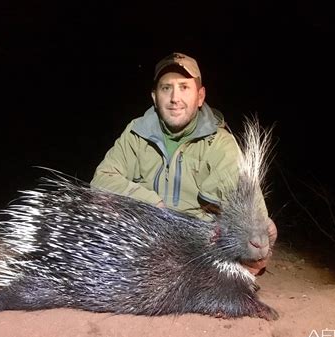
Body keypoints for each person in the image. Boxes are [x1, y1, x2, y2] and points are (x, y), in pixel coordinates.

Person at [90, 52, 277, 275]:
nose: (174, 98)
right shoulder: (136, 133)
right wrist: (154, 205)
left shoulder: (220, 144)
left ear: (200, 97)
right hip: (145, 235)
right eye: (166, 88)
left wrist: (254, 240)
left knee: (257, 240)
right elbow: (101, 181)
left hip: (197, 244)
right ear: (154, 96)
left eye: (184, 87)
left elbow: (250, 211)